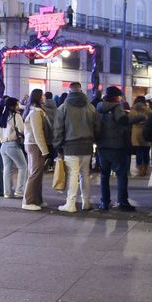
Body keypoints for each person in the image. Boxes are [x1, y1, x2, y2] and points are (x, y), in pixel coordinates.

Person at [53, 82, 99, 212]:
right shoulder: (90, 107)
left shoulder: (63, 107)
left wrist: (58, 147)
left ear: (69, 91)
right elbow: (97, 127)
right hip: (87, 146)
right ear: (81, 91)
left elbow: (58, 129)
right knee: (85, 174)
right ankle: (86, 202)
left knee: (73, 174)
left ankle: (71, 204)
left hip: (70, 146)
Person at [96, 86, 138, 212]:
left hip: (102, 146)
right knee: (121, 175)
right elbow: (123, 120)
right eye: (119, 95)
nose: (121, 98)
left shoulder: (99, 107)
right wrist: (139, 118)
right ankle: (123, 202)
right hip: (117, 146)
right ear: (116, 97)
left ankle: (104, 202)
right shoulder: (117, 107)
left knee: (104, 176)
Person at [22, 89, 51, 211]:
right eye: (43, 95)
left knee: (37, 173)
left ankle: (37, 199)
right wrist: (45, 150)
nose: (44, 97)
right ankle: (28, 201)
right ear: (39, 98)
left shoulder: (34, 111)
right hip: (35, 145)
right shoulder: (35, 112)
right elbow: (38, 133)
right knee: (34, 173)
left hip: (33, 144)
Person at [0, 97, 26, 199]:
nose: (18, 107)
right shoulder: (16, 116)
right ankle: (19, 191)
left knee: (7, 169)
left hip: (3, 145)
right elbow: (22, 130)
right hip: (12, 144)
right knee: (23, 167)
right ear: (12, 106)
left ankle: (7, 192)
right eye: (17, 105)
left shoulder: (3, 116)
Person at [129, 96, 152, 177]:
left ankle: (140, 170)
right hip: (146, 133)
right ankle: (145, 169)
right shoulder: (148, 110)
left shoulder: (132, 111)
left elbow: (129, 121)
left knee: (139, 153)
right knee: (146, 153)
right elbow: (151, 120)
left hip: (136, 134)